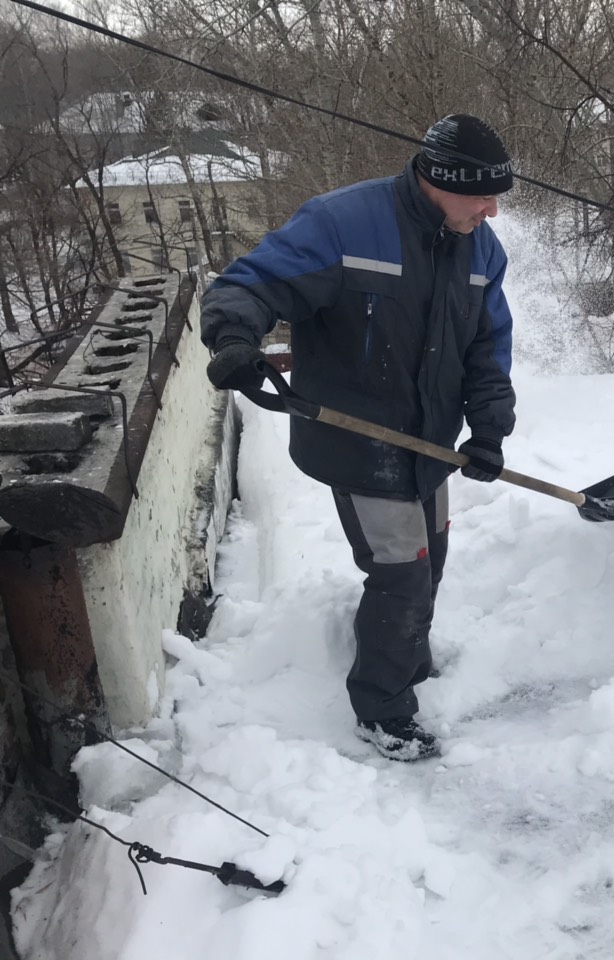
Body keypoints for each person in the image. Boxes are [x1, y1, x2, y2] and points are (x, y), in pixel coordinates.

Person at [199, 114, 517, 762]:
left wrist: (488, 429)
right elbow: (251, 284)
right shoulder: (344, 224)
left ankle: (408, 660)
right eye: (481, 195)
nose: (491, 211)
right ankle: (383, 710)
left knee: (433, 557)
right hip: (358, 438)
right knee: (402, 574)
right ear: (439, 179)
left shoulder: (482, 251)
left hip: (430, 445)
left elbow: (488, 349)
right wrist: (235, 339)